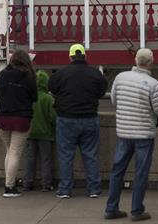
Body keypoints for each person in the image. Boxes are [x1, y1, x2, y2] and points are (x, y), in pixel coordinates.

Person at [104, 48, 158, 222]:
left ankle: (111, 208)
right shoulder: (153, 84)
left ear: (135, 60)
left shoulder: (120, 78)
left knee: (118, 170)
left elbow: (114, 100)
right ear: (151, 62)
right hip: (144, 135)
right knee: (140, 173)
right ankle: (137, 210)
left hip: (124, 132)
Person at [48, 42, 108, 199]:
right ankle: (94, 189)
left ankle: (65, 189)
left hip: (66, 119)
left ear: (70, 57)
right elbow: (102, 90)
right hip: (89, 118)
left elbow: (52, 87)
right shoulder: (95, 74)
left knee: (66, 155)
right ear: (85, 56)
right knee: (90, 155)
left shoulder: (61, 74)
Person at [0, 48, 38, 197]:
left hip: (2, 117)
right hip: (21, 118)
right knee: (14, 152)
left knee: (10, 151)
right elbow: (34, 97)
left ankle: (9, 182)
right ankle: (9, 187)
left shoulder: (2, 75)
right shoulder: (29, 77)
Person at [23, 68, 56, 191]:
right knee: (46, 159)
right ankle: (46, 184)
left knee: (30, 158)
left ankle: (27, 182)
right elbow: (52, 117)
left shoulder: (28, 96)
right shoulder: (48, 98)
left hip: (30, 131)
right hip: (45, 133)